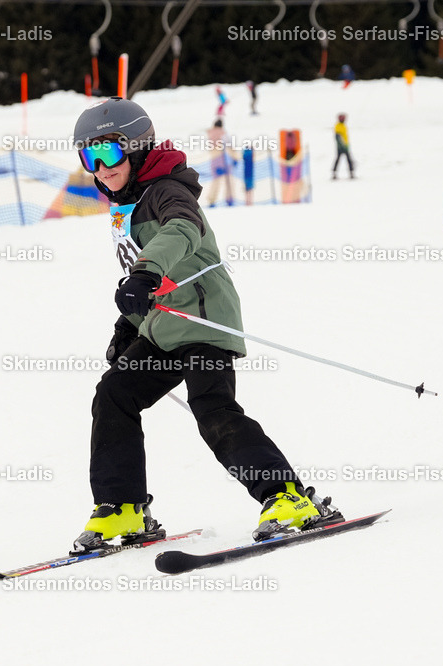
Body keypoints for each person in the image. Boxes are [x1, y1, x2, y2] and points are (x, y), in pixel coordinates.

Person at [70, 97, 332, 552]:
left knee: (212, 409)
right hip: (163, 327)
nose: (101, 167)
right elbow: (143, 282)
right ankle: (122, 510)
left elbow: (181, 233)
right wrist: (128, 327)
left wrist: (146, 273)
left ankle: (288, 498)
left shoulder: (167, 191)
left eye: (109, 153)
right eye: (89, 157)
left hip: (205, 320)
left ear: (136, 148)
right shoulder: (126, 203)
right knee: (113, 395)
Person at [205, 119, 233, 207]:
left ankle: (211, 200)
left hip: (214, 161)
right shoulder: (223, 133)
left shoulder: (210, 133)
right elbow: (229, 145)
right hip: (224, 161)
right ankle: (229, 199)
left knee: (215, 181)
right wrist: (235, 158)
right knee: (229, 181)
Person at [333, 113, 355, 180]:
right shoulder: (338, 126)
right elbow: (337, 137)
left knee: (349, 160)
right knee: (338, 160)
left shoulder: (343, 126)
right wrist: (342, 145)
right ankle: (334, 173)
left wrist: (346, 145)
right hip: (340, 147)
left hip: (345, 146)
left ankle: (351, 173)